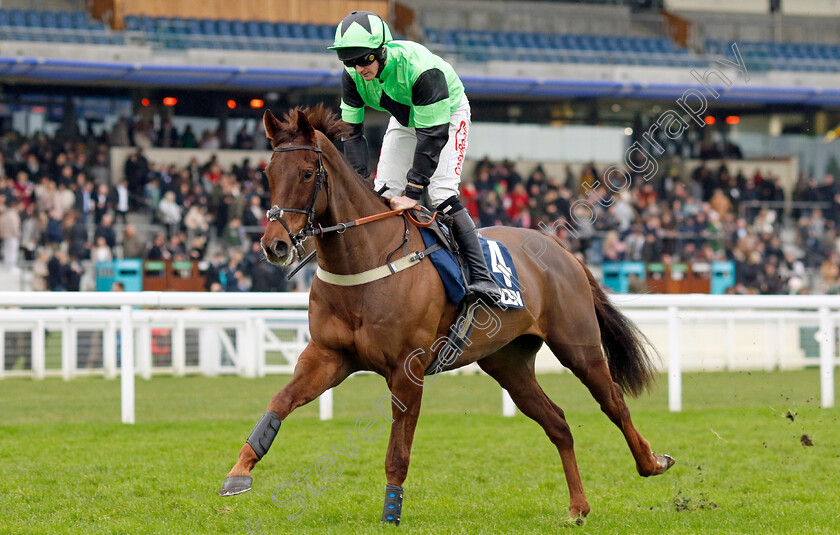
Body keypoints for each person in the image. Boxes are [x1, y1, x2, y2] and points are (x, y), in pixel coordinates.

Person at [329, 10, 501, 302]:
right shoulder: (352, 77)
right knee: (380, 194)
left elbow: (431, 137)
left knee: (441, 195)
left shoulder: (421, 70)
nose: (359, 68)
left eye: (365, 59)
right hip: (406, 116)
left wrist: (412, 191)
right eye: (349, 61)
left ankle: (484, 277)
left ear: (382, 51)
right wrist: (359, 181)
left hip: (445, 115)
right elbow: (351, 133)